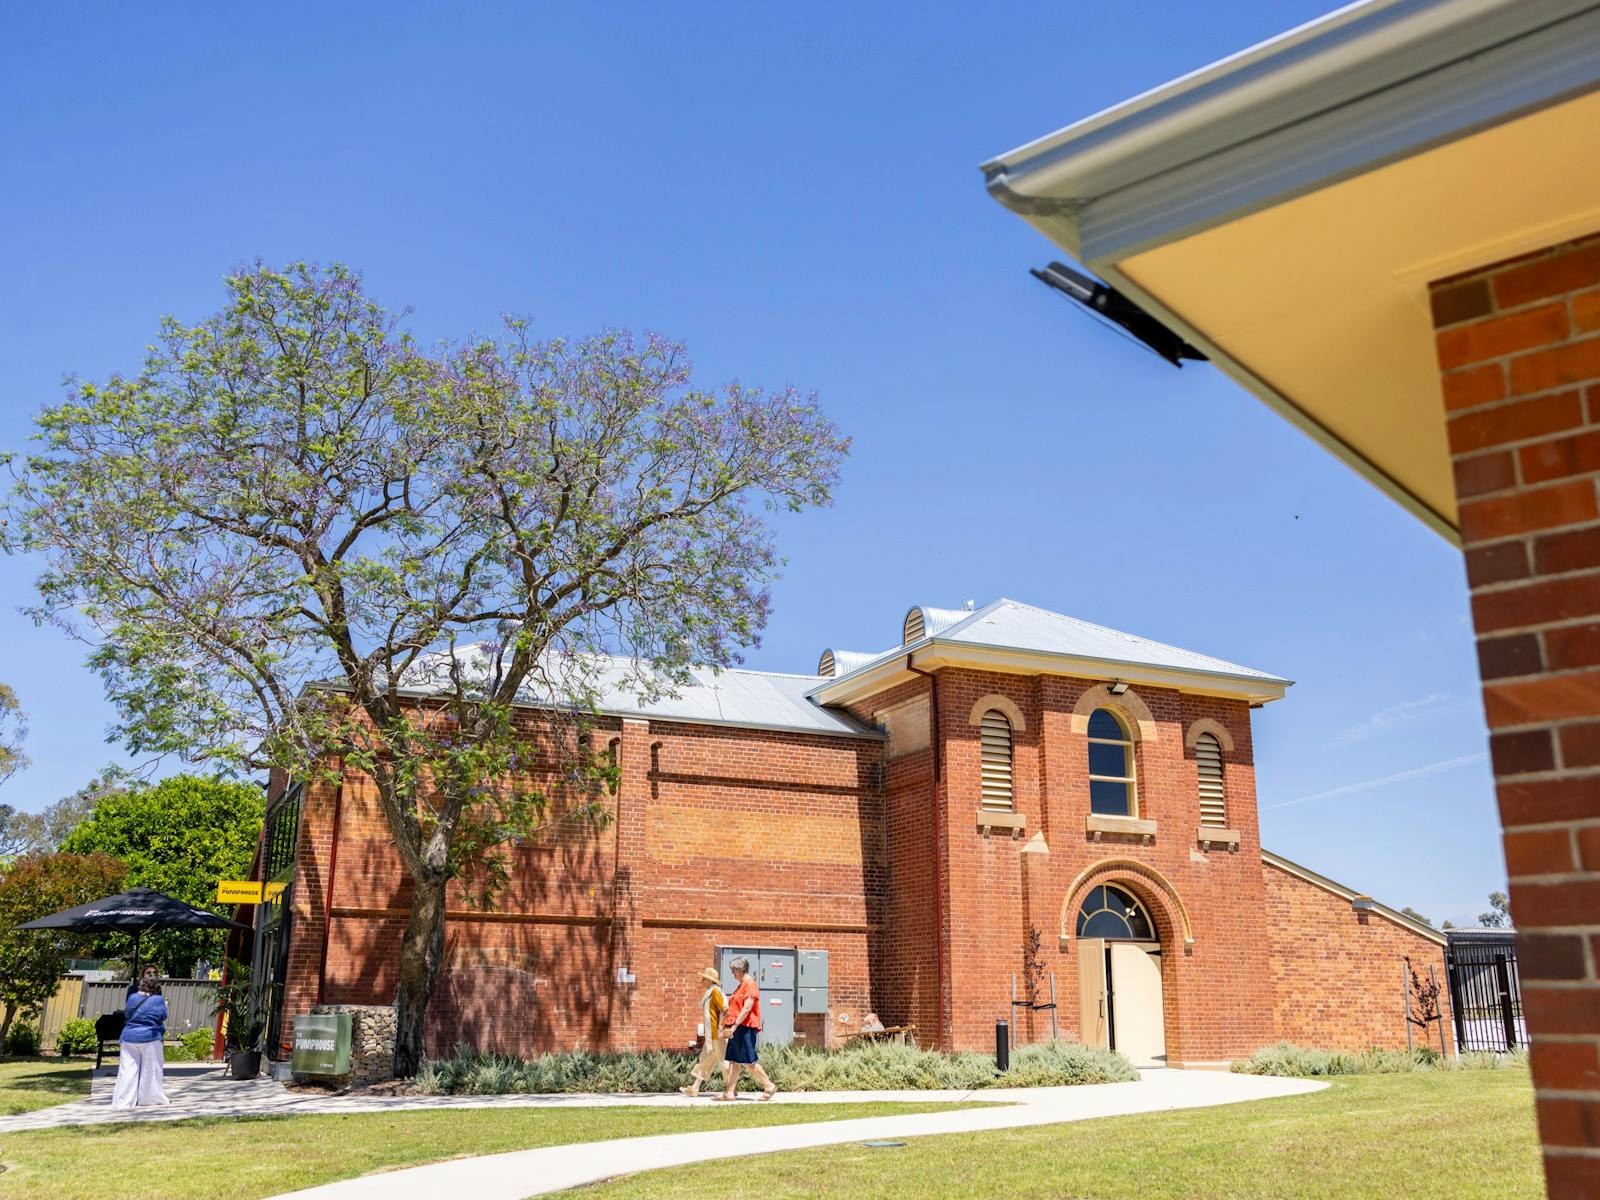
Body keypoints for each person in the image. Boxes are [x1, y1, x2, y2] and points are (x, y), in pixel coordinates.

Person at [717, 956, 776, 1101]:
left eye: (734, 971)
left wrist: (735, 1026)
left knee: (748, 1061)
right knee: (735, 1061)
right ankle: (729, 1093)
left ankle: (768, 1085)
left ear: (741, 970)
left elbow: (747, 1007)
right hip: (738, 1027)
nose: (733, 974)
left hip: (744, 1027)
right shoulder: (742, 984)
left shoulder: (750, 984)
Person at [111, 970, 169, 1109]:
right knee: (151, 1070)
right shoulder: (159, 1000)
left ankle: (124, 1101)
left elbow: (128, 1014)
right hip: (151, 1037)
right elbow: (163, 1016)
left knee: (127, 1070)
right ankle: (149, 1098)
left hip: (129, 1037)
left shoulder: (132, 998)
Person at [679, 966, 727, 1097]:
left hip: (717, 1034)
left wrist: (721, 1027)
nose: (702, 981)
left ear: (711, 981)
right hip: (712, 1034)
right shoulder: (710, 993)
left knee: (723, 1061)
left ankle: (730, 1088)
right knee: (705, 1058)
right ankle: (695, 1087)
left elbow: (724, 1009)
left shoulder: (715, 992)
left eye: (704, 979)